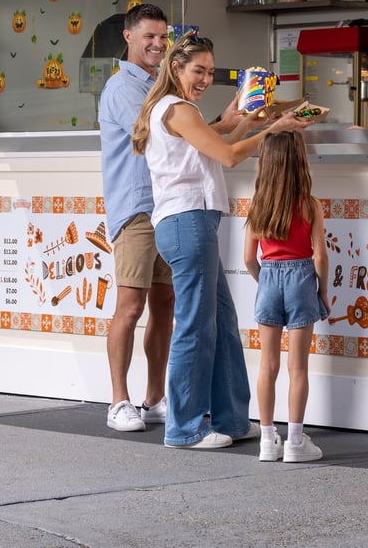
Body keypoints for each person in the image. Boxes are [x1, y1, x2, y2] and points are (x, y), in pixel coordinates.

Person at [132, 33, 310, 449]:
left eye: (211, 72)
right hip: (187, 223)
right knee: (196, 327)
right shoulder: (177, 109)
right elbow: (228, 156)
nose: (206, 80)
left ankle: (231, 419)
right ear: (176, 67)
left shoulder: (176, 109)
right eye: (199, 71)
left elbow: (218, 144)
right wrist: (275, 129)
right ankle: (184, 429)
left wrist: (246, 121)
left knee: (222, 324)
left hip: (192, 223)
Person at [97, 3, 175, 433]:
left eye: (163, 36)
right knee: (130, 306)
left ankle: (155, 399)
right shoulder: (122, 87)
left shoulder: (160, 84)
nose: (158, 44)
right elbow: (160, 135)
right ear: (128, 37)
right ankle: (118, 402)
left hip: (166, 207)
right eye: (149, 36)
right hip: (136, 211)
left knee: (165, 304)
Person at [242, 129, 330, 463]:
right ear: (299, 162)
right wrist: (323, 291)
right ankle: (295, 442)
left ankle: (267, 441)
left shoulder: (257, 206)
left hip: (268, 279)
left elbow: (248, 259)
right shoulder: (310, 204)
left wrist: (265, 279)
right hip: (302, 279)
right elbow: (320, 257)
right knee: (298, 367)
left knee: (268, 365)